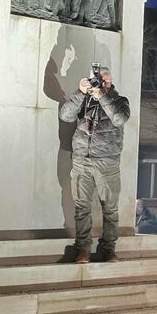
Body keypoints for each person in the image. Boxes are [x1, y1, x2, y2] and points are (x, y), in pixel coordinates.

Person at [58, 64, 130, 263]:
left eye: (104, 78)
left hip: (107, 162)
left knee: (110, 208)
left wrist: (102, 97)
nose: (100, 82)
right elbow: (65, 115)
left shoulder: (120, 101)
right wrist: (80, 93)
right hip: (82, 161)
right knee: (82, 207)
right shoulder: (83, 99)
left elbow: (119, 119)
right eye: (97, 78)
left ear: (111, 80)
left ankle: (109, 249)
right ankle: (83, 249)